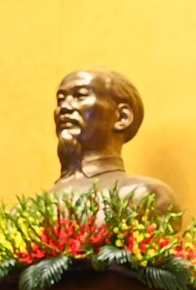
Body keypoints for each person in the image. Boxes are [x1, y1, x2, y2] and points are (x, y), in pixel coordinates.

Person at [51, 69, 179, 211]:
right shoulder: (35, 206)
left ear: (122, 117)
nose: (64, 107)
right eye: (60, 100)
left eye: (80, 96)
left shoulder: (143, 195)